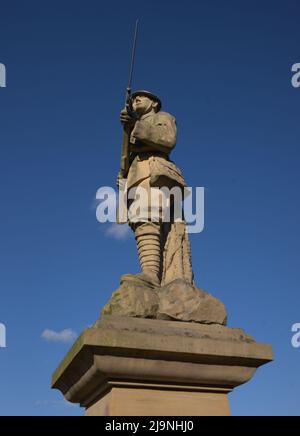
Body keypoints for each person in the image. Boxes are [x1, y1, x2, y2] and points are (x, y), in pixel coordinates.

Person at [119, 91, 194, 288]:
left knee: (149, 217)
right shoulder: (136, 122)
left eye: (140, 98)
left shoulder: (162, 117)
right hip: (138, 175)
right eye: (134, 99)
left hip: (154, 171)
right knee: (142, 221)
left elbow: (167, 140)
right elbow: (127, 158)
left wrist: (135, 125)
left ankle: (151, 275)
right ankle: (151, 273)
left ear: (153, 103)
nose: (135, 101)